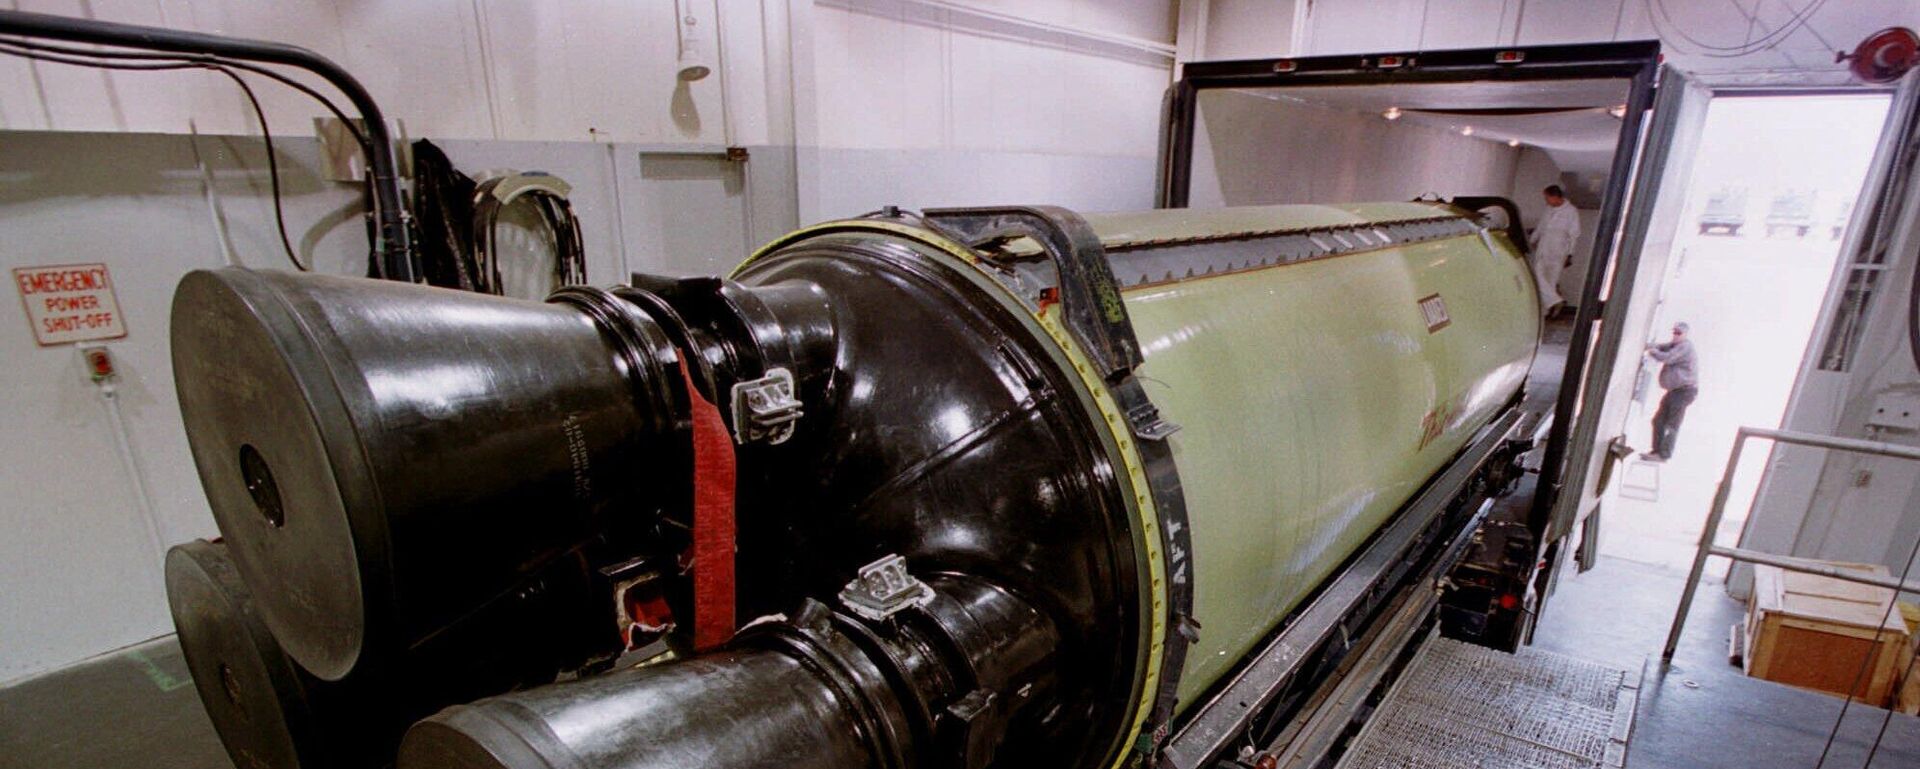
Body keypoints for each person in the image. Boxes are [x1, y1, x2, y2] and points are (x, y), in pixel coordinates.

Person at [1642, 322, 1699, 463]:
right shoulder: (1676, 345)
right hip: (1675, 391)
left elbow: (1668, 357)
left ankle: (1664, 455)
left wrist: (1652, 351)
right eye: (1674, 332)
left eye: (1679, 333)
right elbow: (1663, 347)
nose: (1675, 335)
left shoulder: (1685, 347)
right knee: (1658, 421)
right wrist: (1650, 345)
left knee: (1672, 424)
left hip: (1684, 391)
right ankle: (1656, 452)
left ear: (1685, 335)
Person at [1529, 185, 1582, 317]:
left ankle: (1544, 313)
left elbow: (1574, 235)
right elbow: (1540, 228)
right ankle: (1556, 300)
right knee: (1536, 275)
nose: (1546, 201)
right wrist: (1530, 243)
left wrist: (1570, 254)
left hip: (1559, 251)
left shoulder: (1571, 211)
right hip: (1543, 248)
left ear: (1555, 197)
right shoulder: (1548, 209)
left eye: (1547, 198)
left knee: (1551, 281)